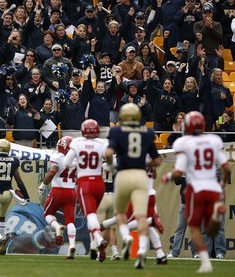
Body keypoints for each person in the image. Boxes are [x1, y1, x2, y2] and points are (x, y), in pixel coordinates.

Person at [162, 111, 231, 273]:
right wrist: (222, 185)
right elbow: (226, 167)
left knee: (193, 227)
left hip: (196, 189)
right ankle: (213, 216)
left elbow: (178, 172)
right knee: (207, 226)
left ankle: (205, 260)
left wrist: (167, 176)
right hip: (213, 188)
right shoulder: (213, 141)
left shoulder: (184, 143)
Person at [104, 103, 162, 269]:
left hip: (123, 174)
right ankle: (142, 247)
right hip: (140, 175)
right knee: (141, 216)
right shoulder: (147, 133)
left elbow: (108, 153)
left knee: (120, 213)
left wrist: (113, 167)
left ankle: (126, 236)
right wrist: (145, 163)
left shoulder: (116, 131)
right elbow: (157, 160)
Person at [64, 120, 108, 262]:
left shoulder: (77, 143)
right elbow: (111, 160)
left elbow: (66, 163)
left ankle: (99, 240)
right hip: (99, 182)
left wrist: (78, 164)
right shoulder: (102, 143)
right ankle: (94, 245)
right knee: (93, 214)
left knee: (90, 215)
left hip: (85, 183)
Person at [0, 139, 30, 255]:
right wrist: (27, 196)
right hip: (9, 193)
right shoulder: (13, 160)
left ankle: (0, 239)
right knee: (2, 218)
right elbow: (19, 181)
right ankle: (0, 247)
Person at [37, 136, 77, 259]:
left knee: (47, 214)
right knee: (70, 221)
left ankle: (57, 226)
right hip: (71, 191)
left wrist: (42, 185)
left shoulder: (57, 157)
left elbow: (52, 172)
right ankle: (71, 245)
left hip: (58, 191)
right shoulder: (76, 159)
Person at [167, 176, 187, 258]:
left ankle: (197, 252)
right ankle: (174, 252)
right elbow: (177, 182)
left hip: (196, 204)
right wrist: (176, 174)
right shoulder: (184, 167)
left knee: (196, 229)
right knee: (179, 229)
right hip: (184, 204)